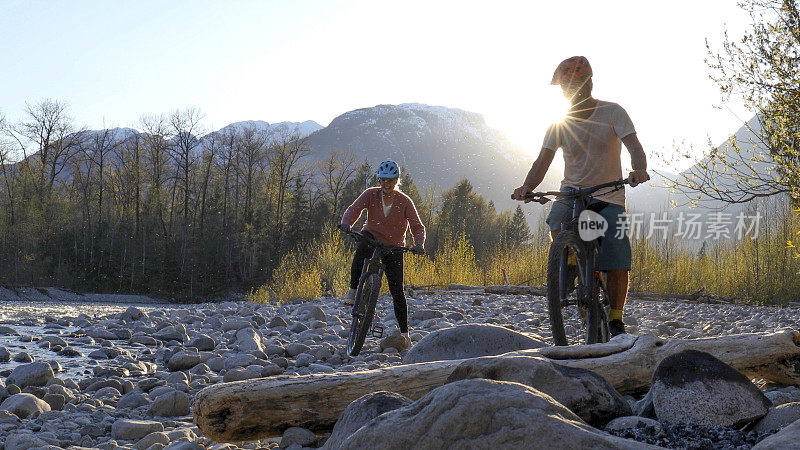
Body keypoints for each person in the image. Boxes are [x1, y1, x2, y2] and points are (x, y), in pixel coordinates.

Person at [513, 56, 650, 336]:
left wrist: (639, 170)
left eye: (576, 84)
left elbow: (634, 145)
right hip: (571, 192)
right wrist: (527, 186)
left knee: (617, 254)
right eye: (566, 87)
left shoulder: (613, 112)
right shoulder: (559, 123)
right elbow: (542, 161)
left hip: (609, 194)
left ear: (589, 84)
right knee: (556, 220)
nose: (570, 91)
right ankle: (570, 261)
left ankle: (615, 317)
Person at [340, 160, 426, 344]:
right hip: (371, 237)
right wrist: (347, 223)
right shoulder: (370, 194)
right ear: (379, 180)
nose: (386, 184)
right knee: (361, 249)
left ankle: (405, 333)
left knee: (397, 291)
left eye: (391, 181)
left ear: (396, 181)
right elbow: (354, 209)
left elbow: (418, 227)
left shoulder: (404, 201)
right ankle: (353, 290)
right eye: (383, 180)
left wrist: (419, 244)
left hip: (394, 246)